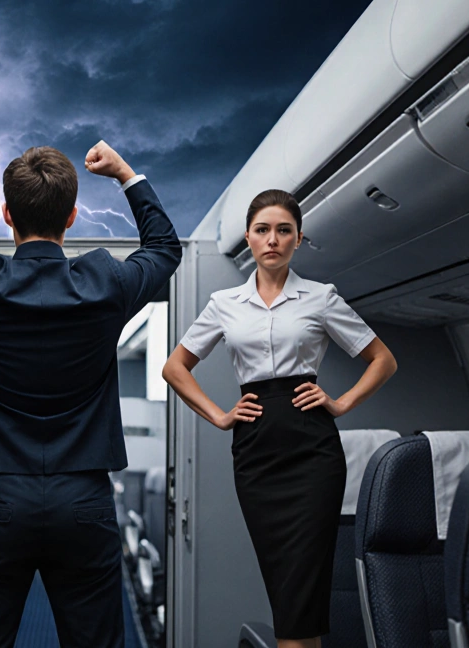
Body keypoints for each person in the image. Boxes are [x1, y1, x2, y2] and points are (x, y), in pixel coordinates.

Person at [0, 139, 181, 648]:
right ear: (72, 217)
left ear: (7, 214)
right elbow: (164, 247)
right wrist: (125, 174)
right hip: (83, 498)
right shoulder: (107, 284)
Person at [162, 190, 397, 648]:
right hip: (256, 455)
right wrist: (220, 416)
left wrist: (341, 403)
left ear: (298, 239)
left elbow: (382, 360)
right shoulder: (225, 303)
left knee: (300, 593)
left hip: (313, 453)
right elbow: (175, 368)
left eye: (284, 230)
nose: (273, 239)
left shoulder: (321, 298)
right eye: (263, 230)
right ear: (249, 238)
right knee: (286, 589)